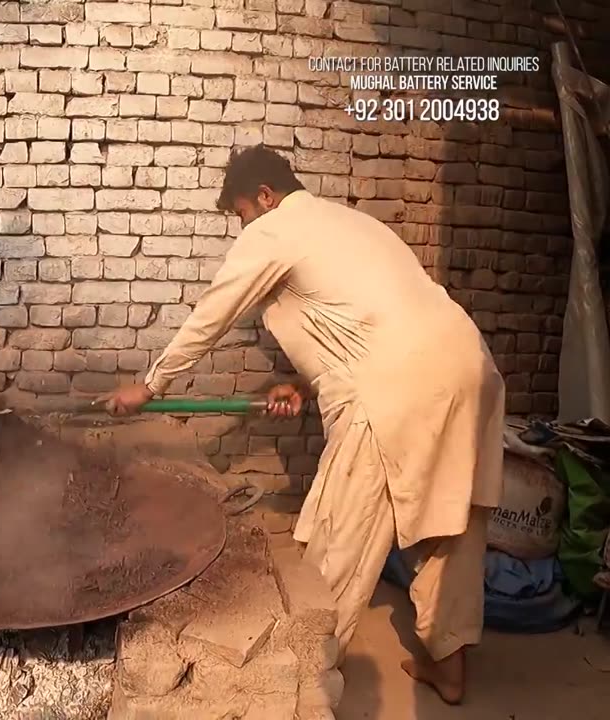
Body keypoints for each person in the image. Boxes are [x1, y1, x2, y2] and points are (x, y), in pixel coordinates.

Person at [104, 145, 503, 705]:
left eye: (242, 213)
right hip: (469, 367)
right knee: (449, 527)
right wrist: (303, 383)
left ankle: (303, 678)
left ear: (265, 197)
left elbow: (214, 312)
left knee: (343, 528)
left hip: (396, 386)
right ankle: (450, 667)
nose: (242, 227)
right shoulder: (350, 224)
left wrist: (152, 384)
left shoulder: (277, 228)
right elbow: (365, 322)